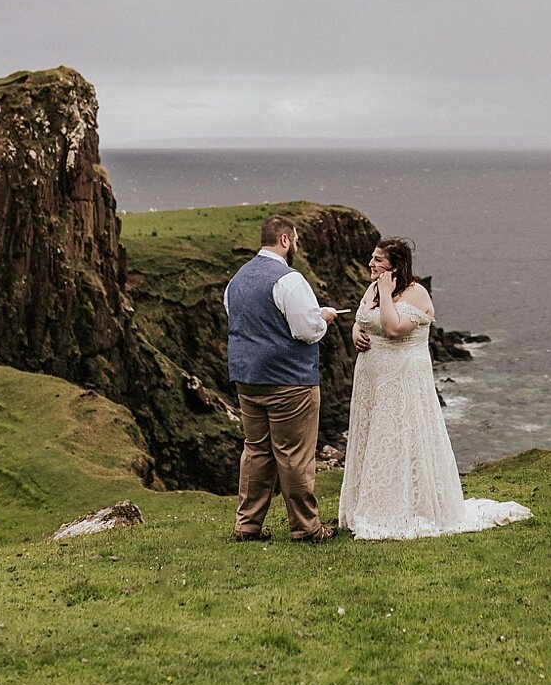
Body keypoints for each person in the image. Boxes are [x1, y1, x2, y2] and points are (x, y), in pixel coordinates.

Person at [338, 237, 531, 540]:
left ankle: (407, 510)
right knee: (375, 438)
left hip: (403, 381)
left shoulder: (416, 294)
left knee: (401, 437)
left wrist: (387, 293)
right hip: (373, 381)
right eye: (372, 258)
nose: (371, 264)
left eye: (378, 260)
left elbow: (392, 328)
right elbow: (363, 317)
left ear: (395, 266)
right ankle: (371, 504)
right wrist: (354, 334)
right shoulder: (374, 288)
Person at [226, 215, 340, 543]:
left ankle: (247, 525)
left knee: (257, 451)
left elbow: (243, 321)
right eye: (297, 241)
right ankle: (306, 528)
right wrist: (324, 319)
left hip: (248, 379)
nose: (297, 248)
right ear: (285, 240)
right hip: (290, 381)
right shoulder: (289, 280)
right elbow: (306, 330)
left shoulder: (237, 280)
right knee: (294, 454)